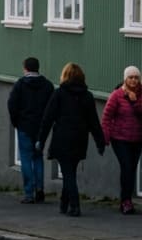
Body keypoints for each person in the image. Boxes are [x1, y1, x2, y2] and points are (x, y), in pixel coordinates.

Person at [37, 63, 106, 217]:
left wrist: (41, 140)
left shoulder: (59, 93)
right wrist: (99, 141)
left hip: (62, 138)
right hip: (80, 138)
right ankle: (64, 203)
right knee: (70, 171)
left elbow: (48, 118)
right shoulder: (87, 96)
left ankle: (74, 206)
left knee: (68, 173)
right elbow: (93, 121)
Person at [8, 57, 54, 203]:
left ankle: (29, 193)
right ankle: (40, 189)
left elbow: (12, 105)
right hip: (41, 128)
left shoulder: (20, 85)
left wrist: (16, 122)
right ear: (38, 68)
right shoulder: (47, 85)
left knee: (26, 159)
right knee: (38, 157)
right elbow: (51, 107)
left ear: (26, 68)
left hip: (24, 126)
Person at [101, 65, 142, 214]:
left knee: (131, 169)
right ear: (125, 79)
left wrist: (135, 101)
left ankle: (126, 199)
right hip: (120, 138)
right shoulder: (117, 95)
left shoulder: (140, 95)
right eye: (131, 77)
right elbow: (106, 117)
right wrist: (105, 137)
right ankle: (126, 201)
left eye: (136, 77)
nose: (133, 80)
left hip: (137, 138)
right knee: (126, 167)